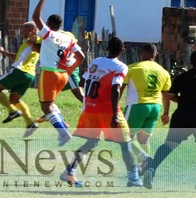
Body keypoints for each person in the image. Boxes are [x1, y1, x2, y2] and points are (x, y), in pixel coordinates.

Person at [61, 36, 142, 188]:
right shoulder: (121, 66)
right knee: (126, 143)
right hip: (107, 110)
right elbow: (115, 89)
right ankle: (133, 178)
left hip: (90, 109)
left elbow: (83, 82)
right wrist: (115, 115)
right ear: (123, 51)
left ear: (106, 48)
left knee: (92, 141)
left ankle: (69, 171)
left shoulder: (96, 61)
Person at [143, 50, 196, 190]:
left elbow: (169, 95)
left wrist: (169, 110)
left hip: (182, 117)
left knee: (168, 145)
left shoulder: (181, 78)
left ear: (190, 62)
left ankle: (151, 169)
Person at [32, 0, 85, 146]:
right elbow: (81, 57)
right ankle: (63, 125)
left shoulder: (49, 34)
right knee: (51, 103)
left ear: (48, 24)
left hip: (49, 73)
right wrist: (70, 68)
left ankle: (63, 133)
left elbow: (35, 16)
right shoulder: (67, 38)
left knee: (46, 107)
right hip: (63, 75)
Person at [122, 43, 171, 170]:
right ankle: (144, 167)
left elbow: (120, 87)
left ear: (141, 53)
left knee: (124, 137)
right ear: (156, 55)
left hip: (137, 105)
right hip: (155, 107)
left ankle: (143, 158)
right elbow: (166, 94)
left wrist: (115, 105)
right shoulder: (163, 72)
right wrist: (166, 113)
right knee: (143, 140)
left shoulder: (133, 68)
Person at [0, 21, 41, 137]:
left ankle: (12, 111)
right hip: (29, 75)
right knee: (14, 99)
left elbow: (37, 47)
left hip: (19, 71)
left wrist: (34, 38)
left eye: (24, 29)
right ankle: (30, 124)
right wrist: (3, 52)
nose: (21, 31)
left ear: (32, 31)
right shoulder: (27, 43)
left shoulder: (35, 40)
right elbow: (17, 57)